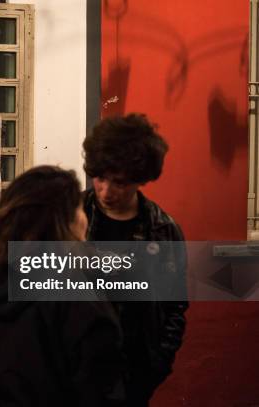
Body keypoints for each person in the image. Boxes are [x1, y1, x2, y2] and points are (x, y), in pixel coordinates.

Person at [0, 165, 127, 406]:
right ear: (64, 222)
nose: (85, 218)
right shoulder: (78, 300)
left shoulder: (5, 281)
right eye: (79, 209)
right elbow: (100, 388)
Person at [82, 113, 188, 406]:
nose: (105, 191)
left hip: (134, 373)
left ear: (141, 180)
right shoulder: (68, 216)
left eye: (119, 183)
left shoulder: (164, 229)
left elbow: (175, 306)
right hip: (75, 370)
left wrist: (158, 361)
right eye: (100, 178)